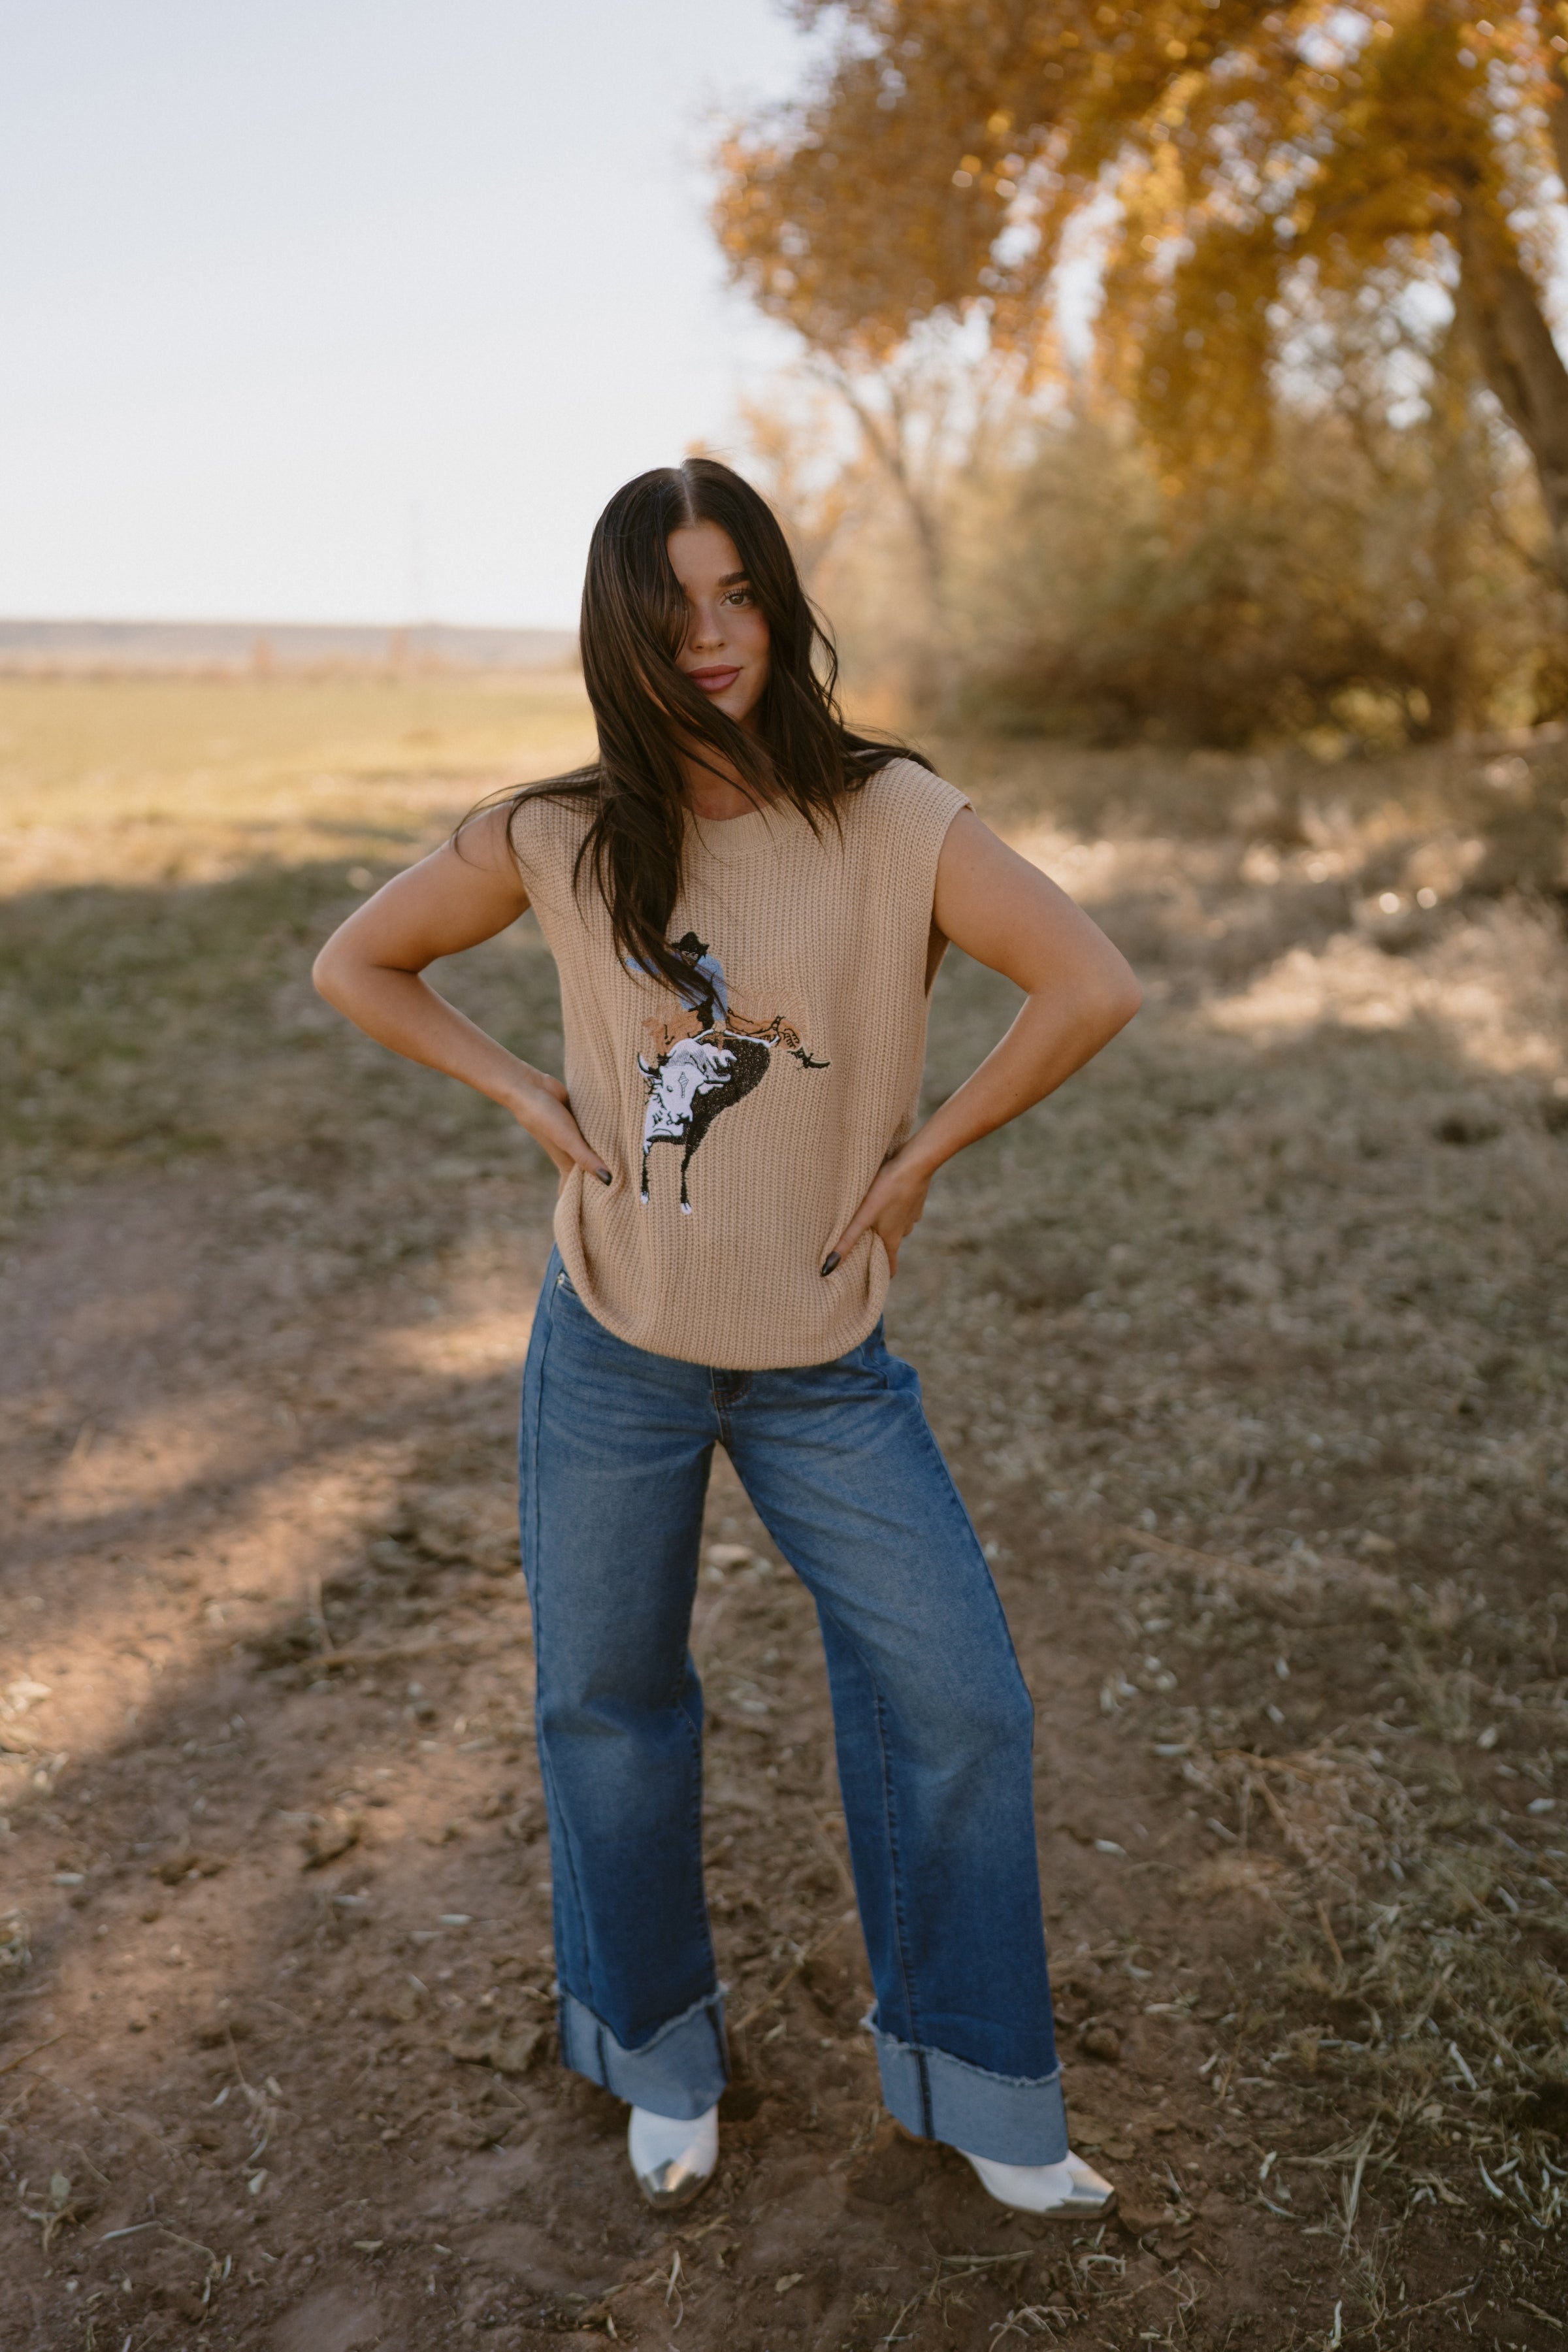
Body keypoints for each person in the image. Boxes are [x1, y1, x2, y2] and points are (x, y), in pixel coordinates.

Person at [312, 459, 1141, 2218]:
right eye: (674, 602)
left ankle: (976, 2082)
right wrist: (528, 1092)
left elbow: (1092, 982)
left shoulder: (892, 815)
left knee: (961, 1699)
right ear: (618, 625)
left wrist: (922, 1156)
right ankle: (659, 2057)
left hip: (823, 1357)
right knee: (608, 1704)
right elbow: (357, 965)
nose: (712, 635)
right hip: (614, 1341)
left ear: (778, 602)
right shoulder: (558, 835)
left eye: (740, 592)